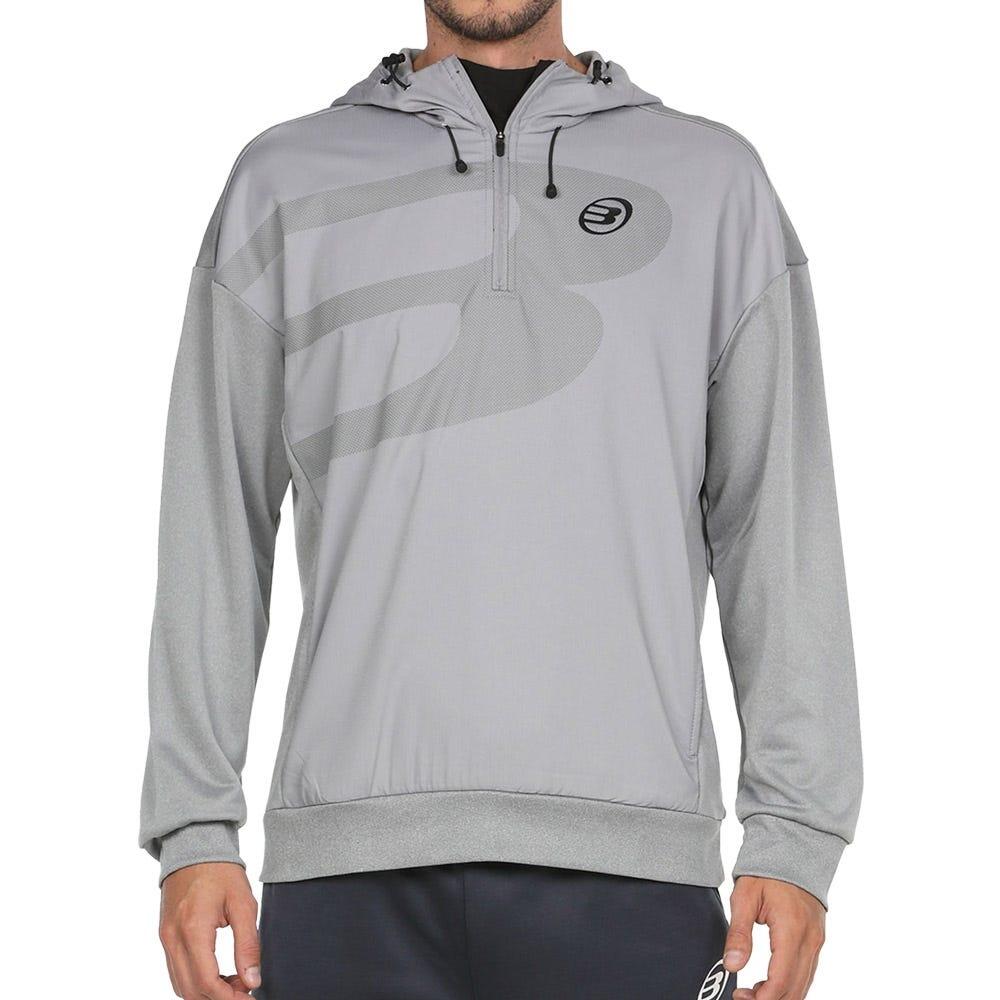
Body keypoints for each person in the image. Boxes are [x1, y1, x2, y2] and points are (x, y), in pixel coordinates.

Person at [141, 2, 862, 997]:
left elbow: (776, 524)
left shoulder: (714, 185)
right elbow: (213, 519)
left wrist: (795, 835)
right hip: (347, 866)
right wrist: (193, 828)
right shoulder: (284, 181)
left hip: (634, 866)